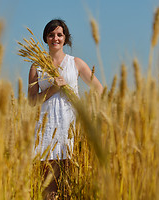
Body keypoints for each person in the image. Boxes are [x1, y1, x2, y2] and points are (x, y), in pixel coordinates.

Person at [28, 19, 103, 199]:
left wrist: (85, 109)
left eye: (59, 35)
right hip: (46, 130)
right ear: (46, 38)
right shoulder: (36, 66)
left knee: (71, 182)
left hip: (71, 128)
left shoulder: (75, 63)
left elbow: (99, 90)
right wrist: (53, 89)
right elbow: (31, 101)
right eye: (51, 35)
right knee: (49, 186)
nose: (55, 38)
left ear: (65, 38)